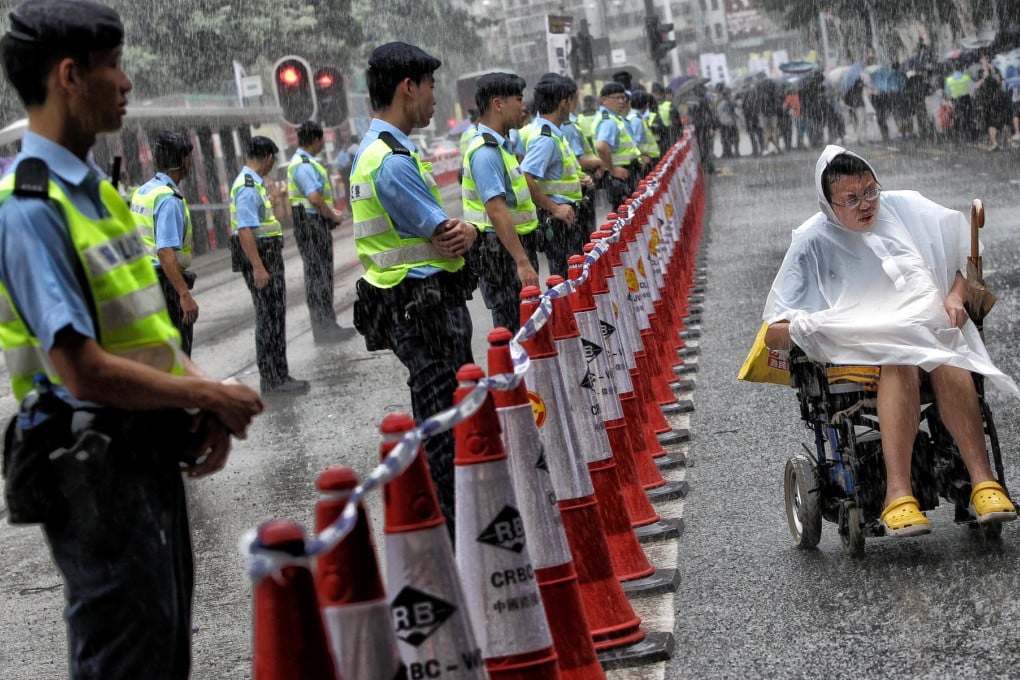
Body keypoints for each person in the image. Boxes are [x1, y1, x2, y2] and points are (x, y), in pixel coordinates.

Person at [0, 2, 264, 677]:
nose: (125, 83)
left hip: (143, 456)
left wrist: (192, 403)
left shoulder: (99, 194)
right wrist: (210, 391)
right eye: (112, 66)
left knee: (161, 642)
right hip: (95, 467)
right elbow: (82, 369)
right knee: (127, 656)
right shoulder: (30, 208)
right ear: (69, 76)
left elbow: (143, 333)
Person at [763, 145, 1017, 536]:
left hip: (926, 330)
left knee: (944, 356)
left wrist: (953, 296)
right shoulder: (813, 240)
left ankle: (984, 483)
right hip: (860, 345)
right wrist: (816, 326)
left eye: (870, 192)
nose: (866, 205)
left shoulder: (908, 209)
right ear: (828, 204)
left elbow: (963, 264)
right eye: (851, 200)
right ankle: (897, 495)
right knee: (900, 360)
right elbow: (773, 332)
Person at [349, 41, 478, 533]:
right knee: (445, 427)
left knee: (442, 418)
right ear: (408, 87)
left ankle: (457, 527)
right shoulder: (392, 162)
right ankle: (458, 534)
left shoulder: (379, 152)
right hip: (424, 309)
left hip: (407, 307)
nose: (434, 99)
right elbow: (447, 238)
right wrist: (472, 232)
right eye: (431, 88)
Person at [230, 136, 310, 395]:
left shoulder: (252, 183)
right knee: (269, 317)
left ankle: (277, 375)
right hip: (261, 255)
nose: (273, 165)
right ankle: (274, 378)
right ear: (267, 157)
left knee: (273, 315)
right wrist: (258, 266)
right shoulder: (248, 185)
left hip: (265, 254)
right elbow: (244, 229)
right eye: (273, 160)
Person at [461, 71, 540, 333]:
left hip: (508, 252)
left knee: (526, 329)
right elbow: (496, 210)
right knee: (516, 333)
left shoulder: (501, 147)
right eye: (518, 99)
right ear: (498, 104)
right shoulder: (486, 152)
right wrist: (521, 261)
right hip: (503, 259)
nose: (524, 106)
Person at [132, 130, 198, 356]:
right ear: (180, 161)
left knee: (160, 357)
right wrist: (184, 295)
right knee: (179, 355)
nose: (191, 162)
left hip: (144, 285)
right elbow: (165, 251)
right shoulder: (168, 199)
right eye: (188, 157)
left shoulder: (143, 191)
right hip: (164, 285)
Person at [286, 120, 352, 343]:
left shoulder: (306, 162)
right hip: (311, 224)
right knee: (318, 277)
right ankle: (324, 328)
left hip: (313, 224)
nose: (323, 143)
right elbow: (314, 197)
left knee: (321, 274)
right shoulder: (303, 164)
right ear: (315, 140)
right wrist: (331, 215)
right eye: (322, 139)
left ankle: (328, 325)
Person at [521, 74, 584, 279]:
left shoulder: (553, 133)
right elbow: (526, 178)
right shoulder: (545, 138)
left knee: (572, 278)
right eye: (572, 100)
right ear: (563, 103)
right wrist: (555, 208)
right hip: (559, 223)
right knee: (567, 281)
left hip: (566, 219)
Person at [592, 80, 640, 208]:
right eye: (617, 98)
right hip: (621, 175)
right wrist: (612, 170)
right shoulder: (609, 121)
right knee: (628, 215)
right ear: (604, 100)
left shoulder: (608, 117)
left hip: (620, 175)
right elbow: (602, 147)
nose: (621, 101)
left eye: (623, 97)